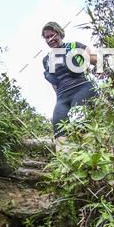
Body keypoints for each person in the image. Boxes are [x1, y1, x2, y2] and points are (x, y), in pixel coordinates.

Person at [41, 20, 99, 151]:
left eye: (53, 35)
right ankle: (66, 169)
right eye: (47, 37)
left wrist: (101, 71)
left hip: (82, 89)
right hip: (62, 97)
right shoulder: (46, 60)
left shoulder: (74, 46)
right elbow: (54, 85)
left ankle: (89, 163)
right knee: (59, 131)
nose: (50, 39)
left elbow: (96, 60)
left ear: (60, 34)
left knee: (80, 126)